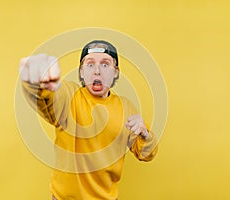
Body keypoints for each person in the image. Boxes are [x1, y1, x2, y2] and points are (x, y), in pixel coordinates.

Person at [19, 40, 158, 200]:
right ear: (81, 72)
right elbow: (46, 98)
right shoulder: (69, 96)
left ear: (116, 72)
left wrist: (145, 135)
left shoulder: (126, 108)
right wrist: (36, 80)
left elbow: (146, 154)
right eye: (90, 65)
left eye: (105, 65)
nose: (97, 71)